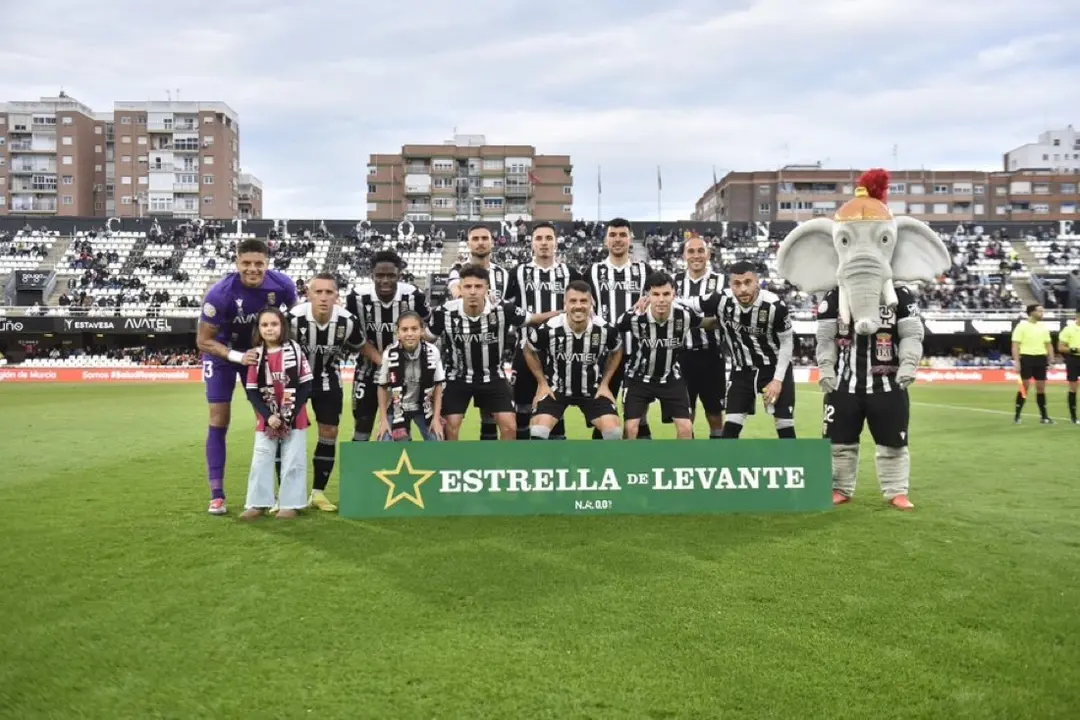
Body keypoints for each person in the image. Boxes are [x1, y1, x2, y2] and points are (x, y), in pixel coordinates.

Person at [196, 238, 298, 515]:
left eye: (258, 263)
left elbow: (294, 322)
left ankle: (282, 494)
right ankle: (217, 495)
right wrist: (237, 356)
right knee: (219, 419)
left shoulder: (282, 286)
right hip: (223, 356)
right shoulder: (220, 293)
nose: (252, 268)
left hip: (261, 356)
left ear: (267, 263)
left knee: (272, 420)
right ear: (237, 262)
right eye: (246, 263)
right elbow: (203, 341)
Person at [816, 278, 922, 509]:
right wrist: (825, 367)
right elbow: (825, 337)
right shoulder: (834, 295)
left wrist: (908, 363)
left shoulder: (900, 294)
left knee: (893, 443)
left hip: (888, 384)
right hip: (843, 384)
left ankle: (897, 491)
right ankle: (840, 488)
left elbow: (911, 334)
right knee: (839, 443)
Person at [426, 264, 559, 440]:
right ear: (460, 288)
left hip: (493, 376)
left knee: (510, 426)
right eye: (468, 286)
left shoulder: (504, 309)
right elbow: (427, 339)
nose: (473, 292)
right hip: (457, 377)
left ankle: (501, 459)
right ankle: (454, 458)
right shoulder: (444, 312)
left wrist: (565, 312)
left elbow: (534, 319)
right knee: (450, 427)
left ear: (487, 288)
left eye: (478, 286)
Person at [678, 260, 796, 440]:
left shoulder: (774, 306)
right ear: (730, 285)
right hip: (742, 371)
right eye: (737, 284)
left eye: (748, 282)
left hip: (774, 369)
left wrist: (777, 381)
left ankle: (792, 458)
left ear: (757, 282)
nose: (743, 289)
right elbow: (687, 303)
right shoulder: (721, 300)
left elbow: (787, 343)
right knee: (729, 432)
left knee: (785, 428)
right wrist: (652, 300)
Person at [288, 273, 365, 511]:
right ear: (308, 294)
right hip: (295, 382)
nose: (323, 297)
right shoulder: (293, 319)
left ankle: (318, 493)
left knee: (329, 432)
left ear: (336, 295)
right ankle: (287, 495)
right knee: (288, 434)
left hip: (328, 380)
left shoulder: (347, 321)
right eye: (318, 292)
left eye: (329, 292)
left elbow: (362, 346)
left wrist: (384, 363)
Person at [505, 222, 581, 439]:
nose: (544, 243)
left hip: (560, 353)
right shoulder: (518, 273)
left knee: (556, 409)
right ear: (532, 243)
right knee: (521, 409)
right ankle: (524, 455)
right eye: (539, 238)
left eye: (549, 238)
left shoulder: (570, 272)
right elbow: (504, 306)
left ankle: (557, 456)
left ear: (556, 243)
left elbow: (585, 304)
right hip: (525, 349)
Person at [344, 250, 429, 442]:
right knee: (362, 425)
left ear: (399, 275)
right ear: (371, 275)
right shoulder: (356, 298)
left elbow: (424, 331)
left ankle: (403, 460)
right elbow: (355, 337)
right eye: (380, 275)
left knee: (401, 427)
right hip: (367, 371)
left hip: (406, 372)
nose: (385, 280)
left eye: (391, 275)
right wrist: (384, 361)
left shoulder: (413, 296)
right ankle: (361, 462)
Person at [523, 280, 623, 440]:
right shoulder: (549, 328)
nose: (578, 306)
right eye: (573, 301)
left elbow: (617, 350)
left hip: (592, 390)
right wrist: (542, 383)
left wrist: (605, 384)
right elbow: (528, 349)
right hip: (556, 389)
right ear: (565, 303)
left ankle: (599, 458)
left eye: (583, 301)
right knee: (538, 431)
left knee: (614, 433)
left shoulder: (605, 329)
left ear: (591, 303)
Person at [618, 272, 709, 439]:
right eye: (656, 294)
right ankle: (630, 456)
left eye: (666, 294)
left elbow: (708, 323)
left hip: (670, 378)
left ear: (674, 294)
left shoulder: (685, 315)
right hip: (638, 378)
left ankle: (680, 457)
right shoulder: (635, 317)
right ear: (647, 295)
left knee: (686, 428)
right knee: (630, 428)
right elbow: (614, 329)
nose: (661, 299)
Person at [584, 218, 653, 439]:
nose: (617, 239)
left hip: (638, 353)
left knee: (638, 417)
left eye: (622, 235)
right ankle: (600, 460)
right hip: (605, 355)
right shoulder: (593, 271)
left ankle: (638, 459)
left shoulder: (644, 271)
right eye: (612, 235)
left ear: (630, 239)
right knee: (604, 416)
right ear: (606, 240)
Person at [241, 307, 313, 520]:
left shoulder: (295, 350)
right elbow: (252, 391)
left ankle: (291, 504)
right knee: (261, 459)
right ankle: (258, 503)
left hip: (294, 417)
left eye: (274, 324)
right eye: (264, 325)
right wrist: (268, 416)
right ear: (258, 329)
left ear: (282, 326)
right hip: (267, 419)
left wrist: (289, 415)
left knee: (293, 460)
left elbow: (306, 385)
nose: (269, 329)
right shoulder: (256, 355)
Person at [447, 224, 511, 442]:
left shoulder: (503, 274)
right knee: (452, 423)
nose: (480, 242)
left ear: (492, 242)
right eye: (475, 239)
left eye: (485, 238)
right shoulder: (457, 271)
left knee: (490, 417)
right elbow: (457, 294)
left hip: (492, 357)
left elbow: (509, 308)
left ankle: (490, 460)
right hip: (462, 357)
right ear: (468, 243)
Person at [673, 235, 727, 438]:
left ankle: (718, 453)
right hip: (682, 355)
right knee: (685, 414)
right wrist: (705, 318)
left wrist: (688, 316)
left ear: (708, 254)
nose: (696, 255)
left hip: (711, 355)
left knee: (714, 412)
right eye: (691, 251)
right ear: (683, 255)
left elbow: (722, 318)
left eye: (700, 251)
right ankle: (688, 455)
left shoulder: (721, 281)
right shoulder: (674, 281)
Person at [375, 311, 446, 441]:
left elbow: (438, 385)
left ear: (422, 331)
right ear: (397, 332)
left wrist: (436, 418)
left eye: (414, 329)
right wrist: (383, 419)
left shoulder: (432, 351)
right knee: (384, 441)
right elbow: (382, 387)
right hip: (397, 407)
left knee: (438, 440)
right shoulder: (389, 354)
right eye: (404, 329)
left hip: (423, 407)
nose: (409, 333)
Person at [1012, 304, 1055, 424]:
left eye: (1042, 311)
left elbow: (1048, 345)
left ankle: (1044, 417)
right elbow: (1015, 345)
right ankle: (1017, 416)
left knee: (1041, 388)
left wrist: (1051, 359)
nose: (1042, 313)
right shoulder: (1021, 326)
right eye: (1040, 311)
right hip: (1026, 358)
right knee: (1024, 387)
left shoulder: (1043, 327)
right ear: (1031, 312)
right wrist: (1017, 361)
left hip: (1040, 358)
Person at [1057, 308, 1080, 424]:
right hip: (1073, 359)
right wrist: (1076, 349)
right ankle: (1073, 417)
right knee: (1073, 387)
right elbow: (1061, 347)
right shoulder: (1068, 329)